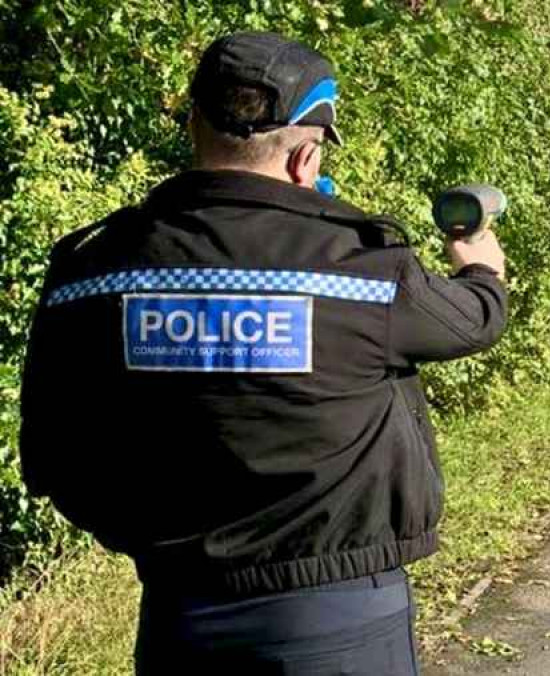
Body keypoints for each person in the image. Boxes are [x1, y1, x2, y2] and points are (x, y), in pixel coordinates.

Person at [18, 31, 507, 675]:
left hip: (178, 615)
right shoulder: (362, 270)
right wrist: (482, 271)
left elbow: (52, 455)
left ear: (195, 127)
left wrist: (147, 537)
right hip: (340, 619)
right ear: (308, 157)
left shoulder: (90, 269)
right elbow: (472, 323)